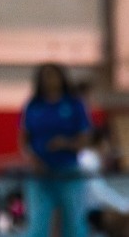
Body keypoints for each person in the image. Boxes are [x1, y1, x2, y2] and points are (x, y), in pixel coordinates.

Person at [21, 63, 92, 237]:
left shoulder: (74, 104)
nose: (49, 80)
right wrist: (33, 160)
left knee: (74, 225)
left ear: (62, 78)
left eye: (53, 75)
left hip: (68, 172)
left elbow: (85, 138)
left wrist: (65, 143)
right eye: (45, 76)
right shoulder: (33, 105)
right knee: (37, 226)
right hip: (40, 175)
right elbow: (23, 139)